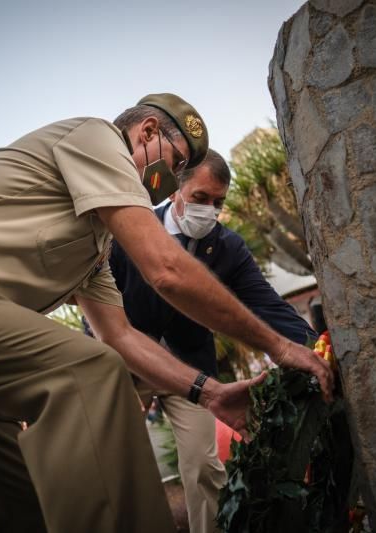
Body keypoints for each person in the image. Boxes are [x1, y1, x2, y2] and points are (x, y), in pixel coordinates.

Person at [0, 93, 333, 533]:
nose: (172, 184)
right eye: (175, 166)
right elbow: (166, 270)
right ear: (147, 132)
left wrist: (212, 392)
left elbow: (123, 338)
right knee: (88, 374)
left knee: (17, 504)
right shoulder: (95, 137)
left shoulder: (93, 253)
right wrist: (280, 347)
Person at [107, 149, 317, 533]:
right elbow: (101, 308)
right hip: (127, 362)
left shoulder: (228, 248)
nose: (210, 210)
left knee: (204, 466)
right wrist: (107, 372)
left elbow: (266, 305)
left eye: (218, 202)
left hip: (192, 372)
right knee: (119, 471)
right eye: (201, 198)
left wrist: (317, 346)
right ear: (175, 191)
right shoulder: (128, 233)